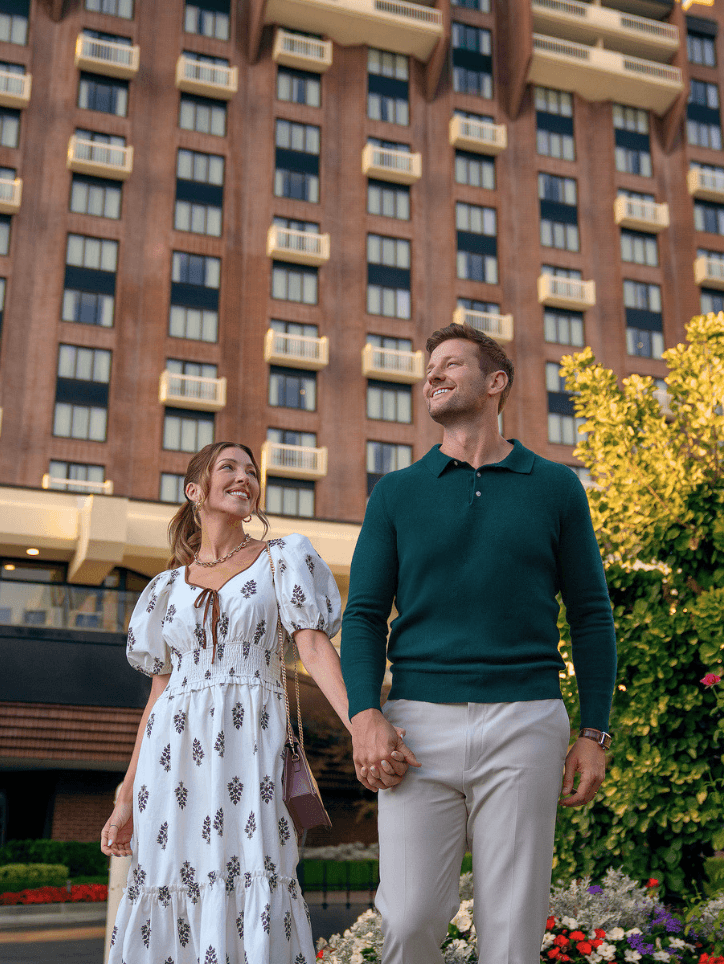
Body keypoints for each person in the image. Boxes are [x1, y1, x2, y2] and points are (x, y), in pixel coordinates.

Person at [341, 324, 617, 964]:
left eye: (450, 364)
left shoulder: (556, 487)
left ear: (496, 383)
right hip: (416, 729)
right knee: (409, 918)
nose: (432, 375)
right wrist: (364, 714)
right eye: (429, 368)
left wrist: (595, 733)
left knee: (512, 930)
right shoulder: (397, 493)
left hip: (526, 722)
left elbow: (591, 615)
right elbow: (364, 615)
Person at [101, 440, 352, 964]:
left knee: (257, 865)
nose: (244, 477)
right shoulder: (164, 589)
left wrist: (362, 725)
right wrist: (126, 793)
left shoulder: (281, 559)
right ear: (195, 491)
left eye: (251, 471)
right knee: (168, 876)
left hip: (249, 743)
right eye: (229, 468)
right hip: (171, 758)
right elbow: (158, 696)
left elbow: (312, 645)